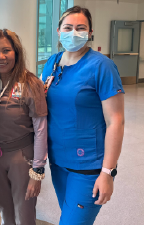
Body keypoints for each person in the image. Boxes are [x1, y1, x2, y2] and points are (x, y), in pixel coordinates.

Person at [40, 6, 124, 224]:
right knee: (68, 215)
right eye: (68, 27)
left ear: (90, 32)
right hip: (58, 161)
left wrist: (107, 172)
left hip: (88, 165)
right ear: (58, 31)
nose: (73, 33)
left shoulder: (102, 66)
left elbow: (116, 121)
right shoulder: (52, 63)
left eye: (80, 28)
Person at [0, 29, 48, 225]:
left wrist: (38, 171)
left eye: (6, 50)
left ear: (16, 53)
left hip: (21, 156)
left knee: (24, 213)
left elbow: (41, 129)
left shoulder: (31, 83)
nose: (0, 57)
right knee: (3, 207)